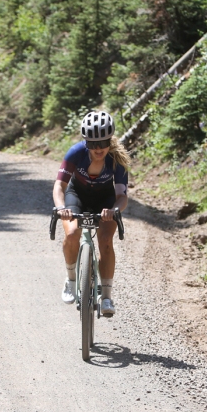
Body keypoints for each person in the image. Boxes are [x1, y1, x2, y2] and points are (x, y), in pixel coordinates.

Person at [52, 110, 131, 317]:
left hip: (105, 200)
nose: (98, 149)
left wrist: (114, 210)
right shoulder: (75, 153)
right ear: (86, 142)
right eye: (93, 144)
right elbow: (59, 186)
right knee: (71, 235)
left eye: (103, 143)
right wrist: (62, 208)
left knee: (105, 240)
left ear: (110, 140)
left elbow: (122, 196)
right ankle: (71, 280)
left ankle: (106, 296)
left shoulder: (116, 159)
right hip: (77, 196)